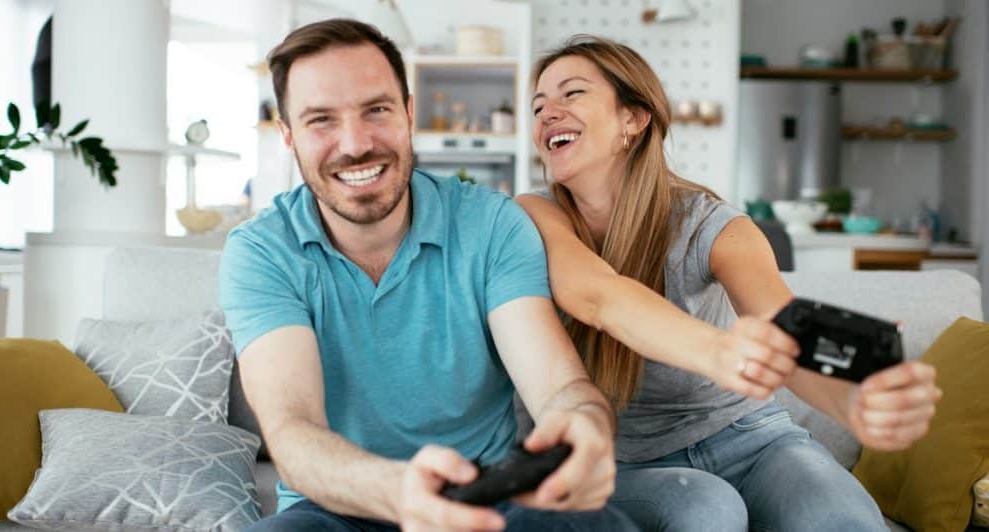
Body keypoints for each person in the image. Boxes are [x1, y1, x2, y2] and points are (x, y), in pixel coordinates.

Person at [219, 20, 637, 532]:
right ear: (288, 135)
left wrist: (585, 425)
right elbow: (293, 431)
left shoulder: (491, 223)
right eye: (321, 120)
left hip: (490, 497)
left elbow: (558, 388)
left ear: (409, 112)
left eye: (376, 110)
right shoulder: (261, 250)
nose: (355, 144)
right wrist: (397, 492)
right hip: (337, 509)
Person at [519, 34, 942, 531]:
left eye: (571, 94)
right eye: (538, 104)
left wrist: (851, 403)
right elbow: (597, 295)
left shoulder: (710, 224)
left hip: (752, 437)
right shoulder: (534, 216)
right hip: (631, 461)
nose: (548, 112)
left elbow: (784, 331)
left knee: (837, 515)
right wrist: (725, 352)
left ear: (633, 118)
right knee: (706, 510)